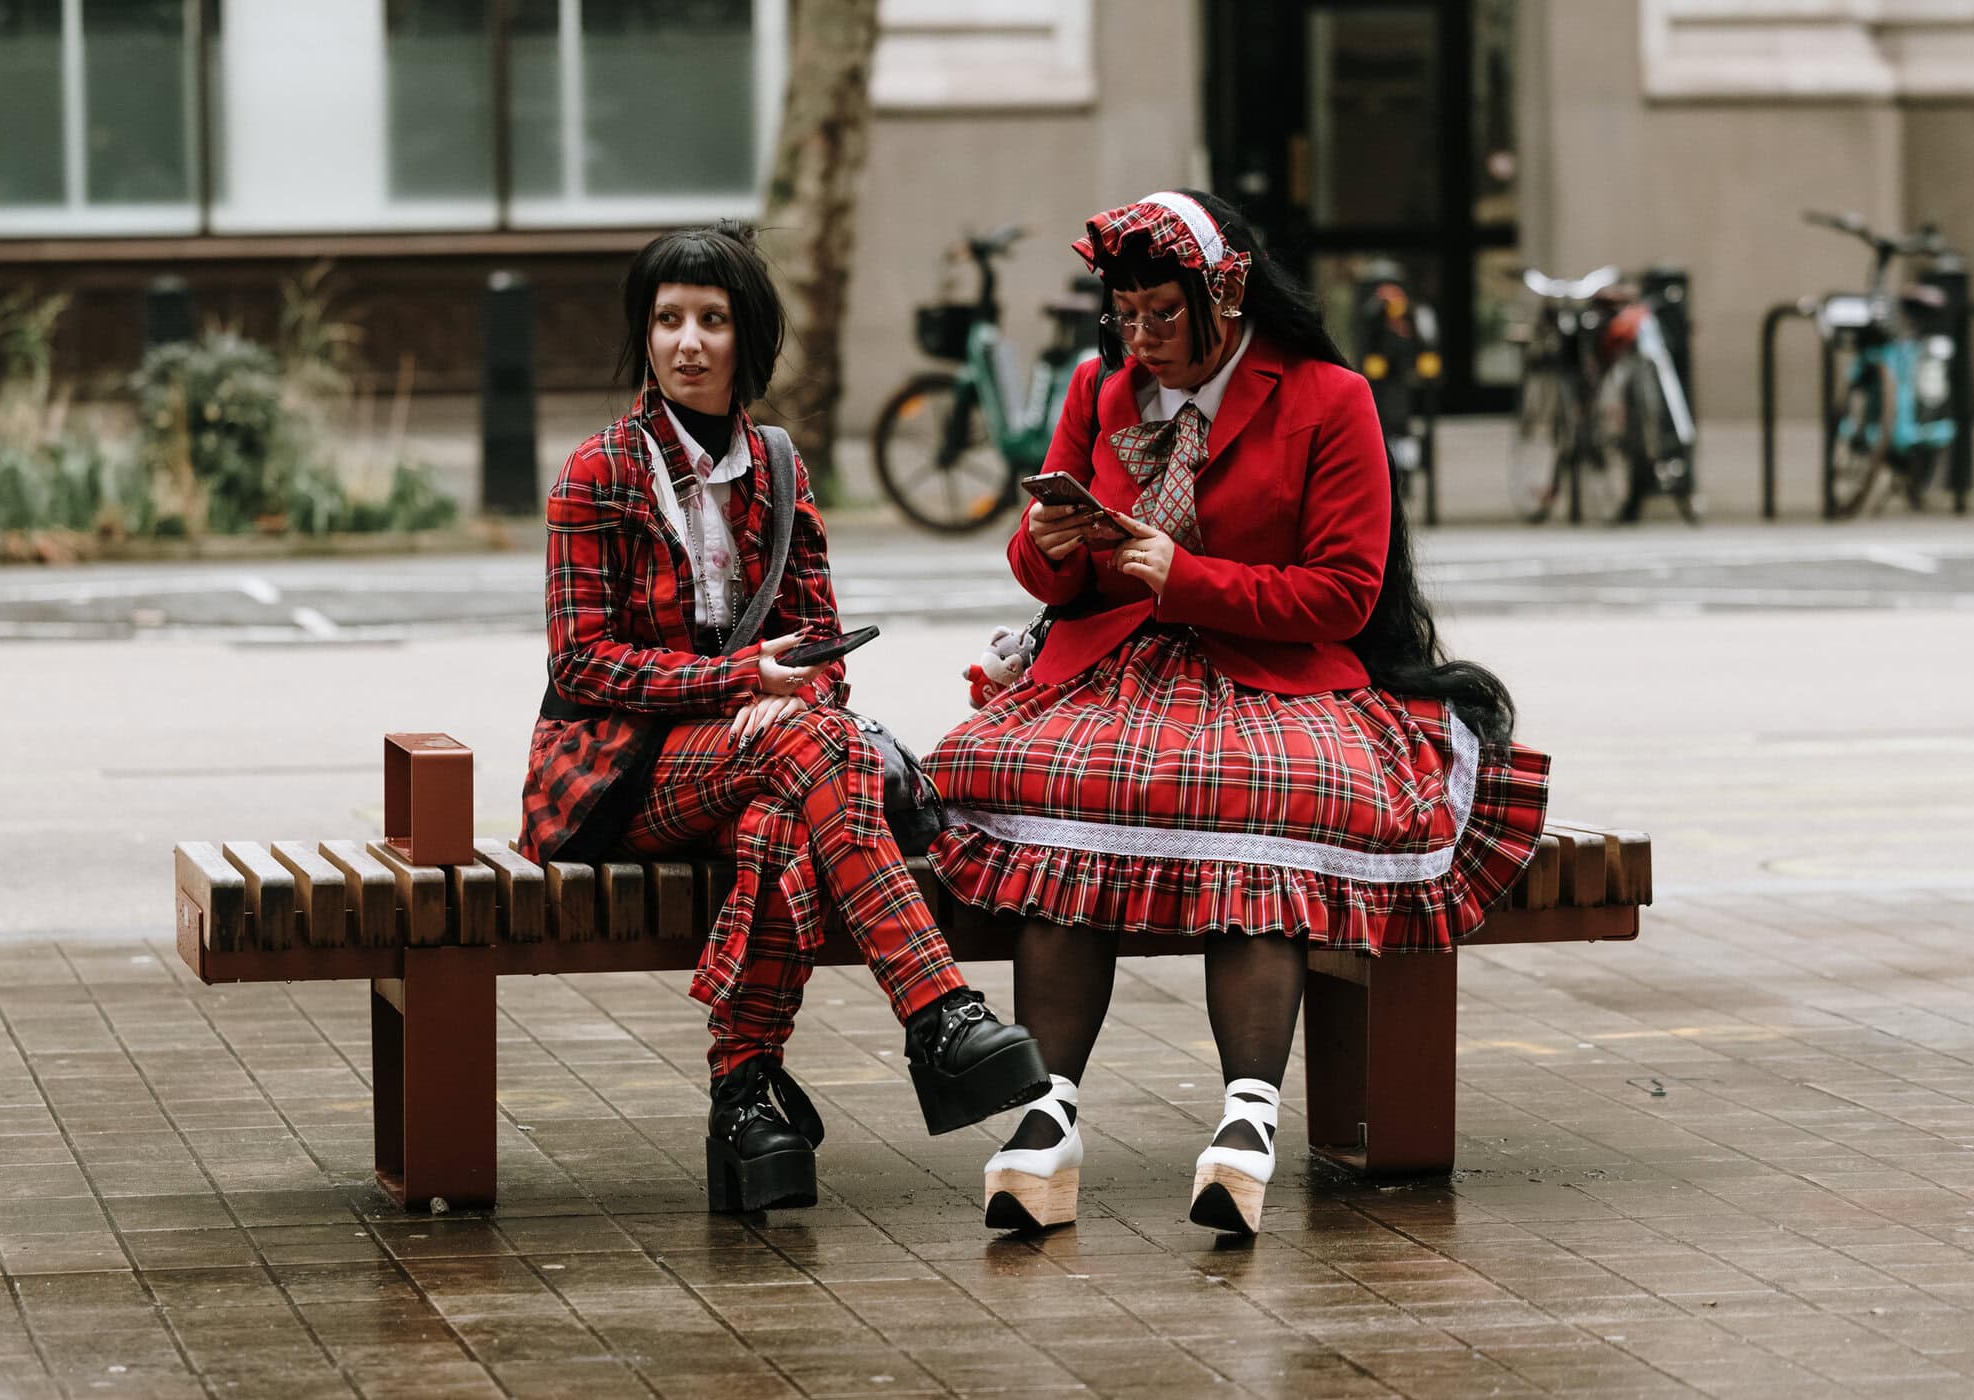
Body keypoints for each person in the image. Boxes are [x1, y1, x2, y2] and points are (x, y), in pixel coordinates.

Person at [926, 190, 1550, 1236]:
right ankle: (1047, 1116)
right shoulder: (1102, 388)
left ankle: (1247, 1120)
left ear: (1225, 293)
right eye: (1121, 316)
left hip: (1278, 672)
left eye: (1160, 315)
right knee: (1053, 782)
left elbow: (1345, 594)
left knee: (1266, 794)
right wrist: (1055, 542)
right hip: (1111, 667)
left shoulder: (1329, 396)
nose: (1138, 340)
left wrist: (1187, 577)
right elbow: (1050, 583)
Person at [518, 222, 1047, 1214]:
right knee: (813, 750)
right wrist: (738, 689)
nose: (686, 340)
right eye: (667, 318)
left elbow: (823, 653)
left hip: (759, 766)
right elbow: (581, 663)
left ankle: (745, 1094)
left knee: (785, 813)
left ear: (745, 338)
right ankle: (938, 1011)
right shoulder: (599, 471)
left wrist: (790, 693)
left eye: (711, 320)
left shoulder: (781, 471)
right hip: (611, 774)